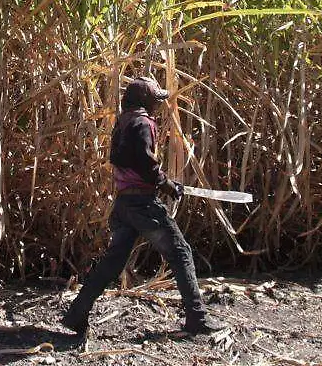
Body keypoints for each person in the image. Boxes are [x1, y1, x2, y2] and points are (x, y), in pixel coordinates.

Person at [62, 74, 221, 337]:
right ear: (145, 100)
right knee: (181, 252)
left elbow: (125, 160)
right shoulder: (143, 123)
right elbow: (144, 163)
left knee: (112, 263)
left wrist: (160, 182)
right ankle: (197, 318)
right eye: (155, 99)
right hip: (142, 204)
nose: (159, 104)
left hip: (124, 203)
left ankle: (76, 313)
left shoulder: (123, 122)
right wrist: (165, 183)